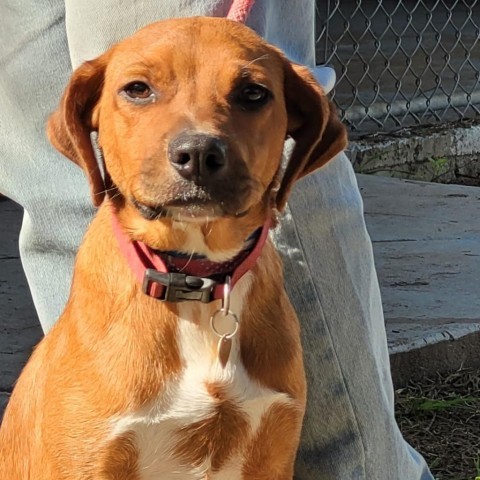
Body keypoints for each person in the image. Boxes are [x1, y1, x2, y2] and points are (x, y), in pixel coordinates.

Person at [0, 1, 434, 478]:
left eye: (249, 95)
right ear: (90, 120)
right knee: (47, 182)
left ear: (299, 124)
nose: (197, 144)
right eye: (139, 91)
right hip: (116, 314)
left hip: (246, 291)